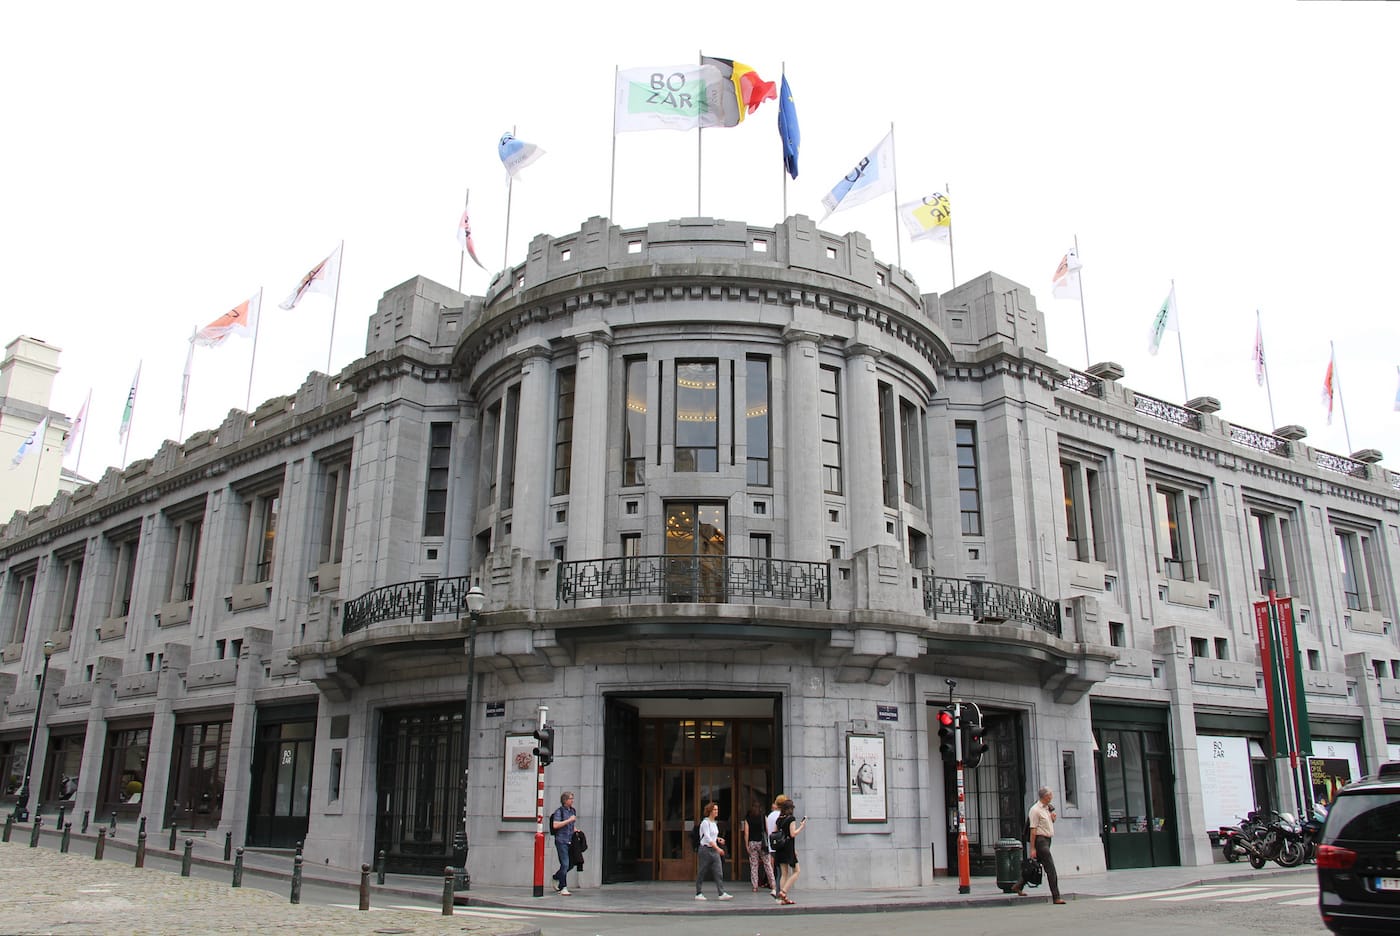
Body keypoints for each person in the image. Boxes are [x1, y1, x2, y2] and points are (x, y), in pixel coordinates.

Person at [1013, 786, 1064, 904]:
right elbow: (1033, 830)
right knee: (1050, 868)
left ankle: (1018, 885)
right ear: (1045, 796)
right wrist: (1032, 848)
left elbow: (1046, 824)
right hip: (1040, 841)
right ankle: (1056, 896)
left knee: (1035, 866)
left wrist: (1053, 818)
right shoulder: (1035, 810)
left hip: (1047, 840)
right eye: (1050, 795)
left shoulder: (1048, 808)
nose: (1052, 797)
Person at [694, 801, 733, 900]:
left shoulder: (714, 823)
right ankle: (698, 893)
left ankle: (721, 893)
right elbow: (707, 838)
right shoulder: (705, 823)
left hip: (714, 850)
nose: (716, 811)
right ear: (710, 811)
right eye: (715, 810)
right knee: (702, 871)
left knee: (718, 871)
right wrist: (718, 848)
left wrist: (718, 839)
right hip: (705, 849)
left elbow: (712, 836)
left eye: (717, 809)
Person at [773, 796, 807, 905]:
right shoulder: (791, 819)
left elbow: (775, 833)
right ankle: (783, 892)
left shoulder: (779, 819)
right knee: (797, 871)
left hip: (780, 849)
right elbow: (793, 834)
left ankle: (783, 899)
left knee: (784, 874)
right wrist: (801, 827)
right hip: (788, 849)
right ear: (791, 809)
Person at [740, 800, 775, 894]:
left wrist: (746, 844)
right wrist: (770, 842)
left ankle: (755, 886)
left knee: (754, 865)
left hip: (752, 843)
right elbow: (768, 830)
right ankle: (773, 884)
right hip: (762, 843)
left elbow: (746, 833)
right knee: (767, 864)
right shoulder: (763, 817)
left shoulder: (748, 818)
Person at [550, 791, 578, 895]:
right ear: (565, 800)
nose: (572, 800)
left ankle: (556, 877)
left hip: (570, 840)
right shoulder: (559, 812)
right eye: (570, 798)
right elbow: (555, 825)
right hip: (561, 840)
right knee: (565, 863)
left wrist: (575, 829)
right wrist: (569, 820)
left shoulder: (573, 811)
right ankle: (563, 887)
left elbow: (571, 825)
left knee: (570, 864)